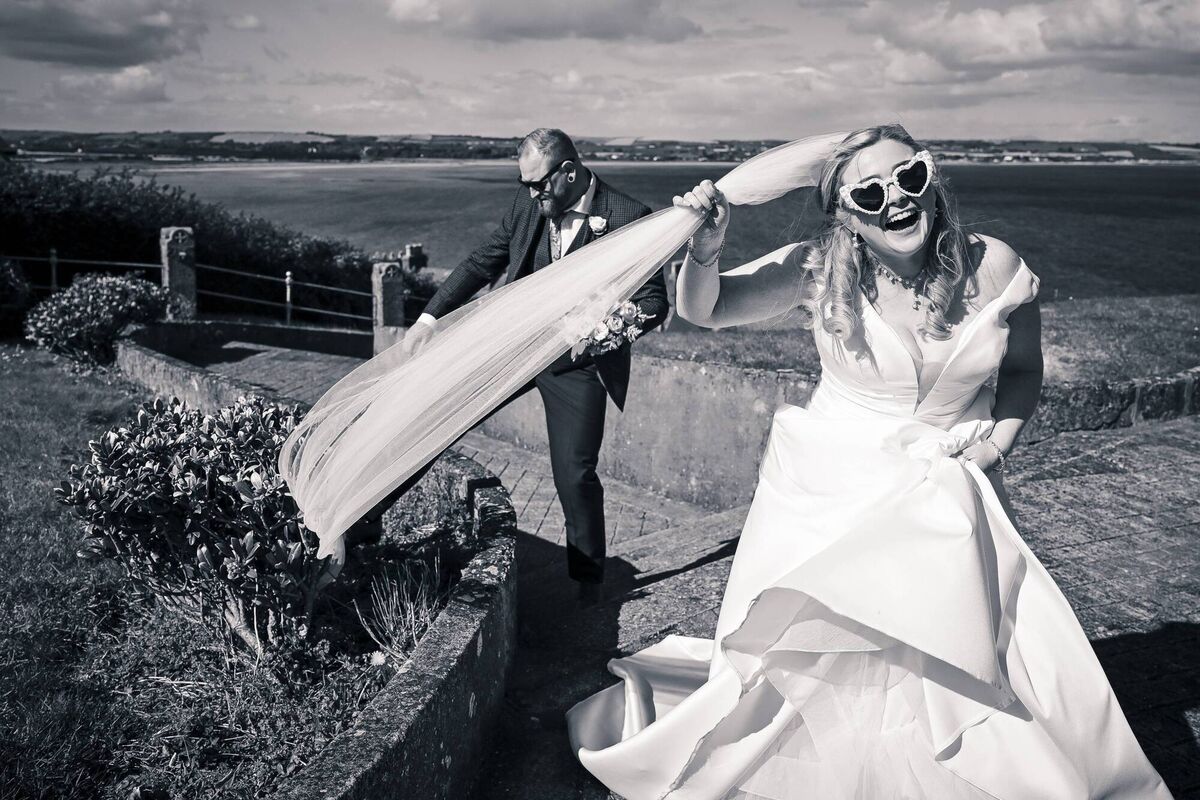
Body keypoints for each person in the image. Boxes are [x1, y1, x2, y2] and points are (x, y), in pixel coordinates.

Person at [565, 124, 1171, 799]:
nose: (897, 201)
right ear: (845, 213)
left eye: (908, 178)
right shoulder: (814, 271)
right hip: (833, 494)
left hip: (950, 495)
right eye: (871, 192)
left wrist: (996, 442)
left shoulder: (993, 265)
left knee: (963, 667)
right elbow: (703, 312)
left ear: (930, 177)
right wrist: (705, 252)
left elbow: (1023, 370)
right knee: (816, 671)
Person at [402, 128, 669, 602]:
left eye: (538, 184)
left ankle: (589, 586)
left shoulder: (631, 216)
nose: (530, 193)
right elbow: (483, 261)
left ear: (568, 171)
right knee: (439, 414)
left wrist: (603, 333)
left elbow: (652, 302)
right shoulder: (528, 205)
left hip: (579, 365)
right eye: (523, 183)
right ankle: (373, 514)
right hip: (515, 347)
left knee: (574, 473)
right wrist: (429, 318)